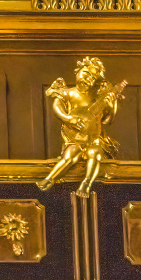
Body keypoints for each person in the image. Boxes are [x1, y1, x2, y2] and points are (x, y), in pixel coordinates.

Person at [37, 56, 126, 196]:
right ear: (78, 71)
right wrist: (68, 118)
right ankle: (50, 179)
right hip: (74, 139)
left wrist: (111, 106)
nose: (88, 79)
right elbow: (57, 106)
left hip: (93, 139)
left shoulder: (97, 99)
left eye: (92, 77)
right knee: (69, 157)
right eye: (86, 73)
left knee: (95, 154)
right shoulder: (69, 93)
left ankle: (86, 183)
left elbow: (106, 121)